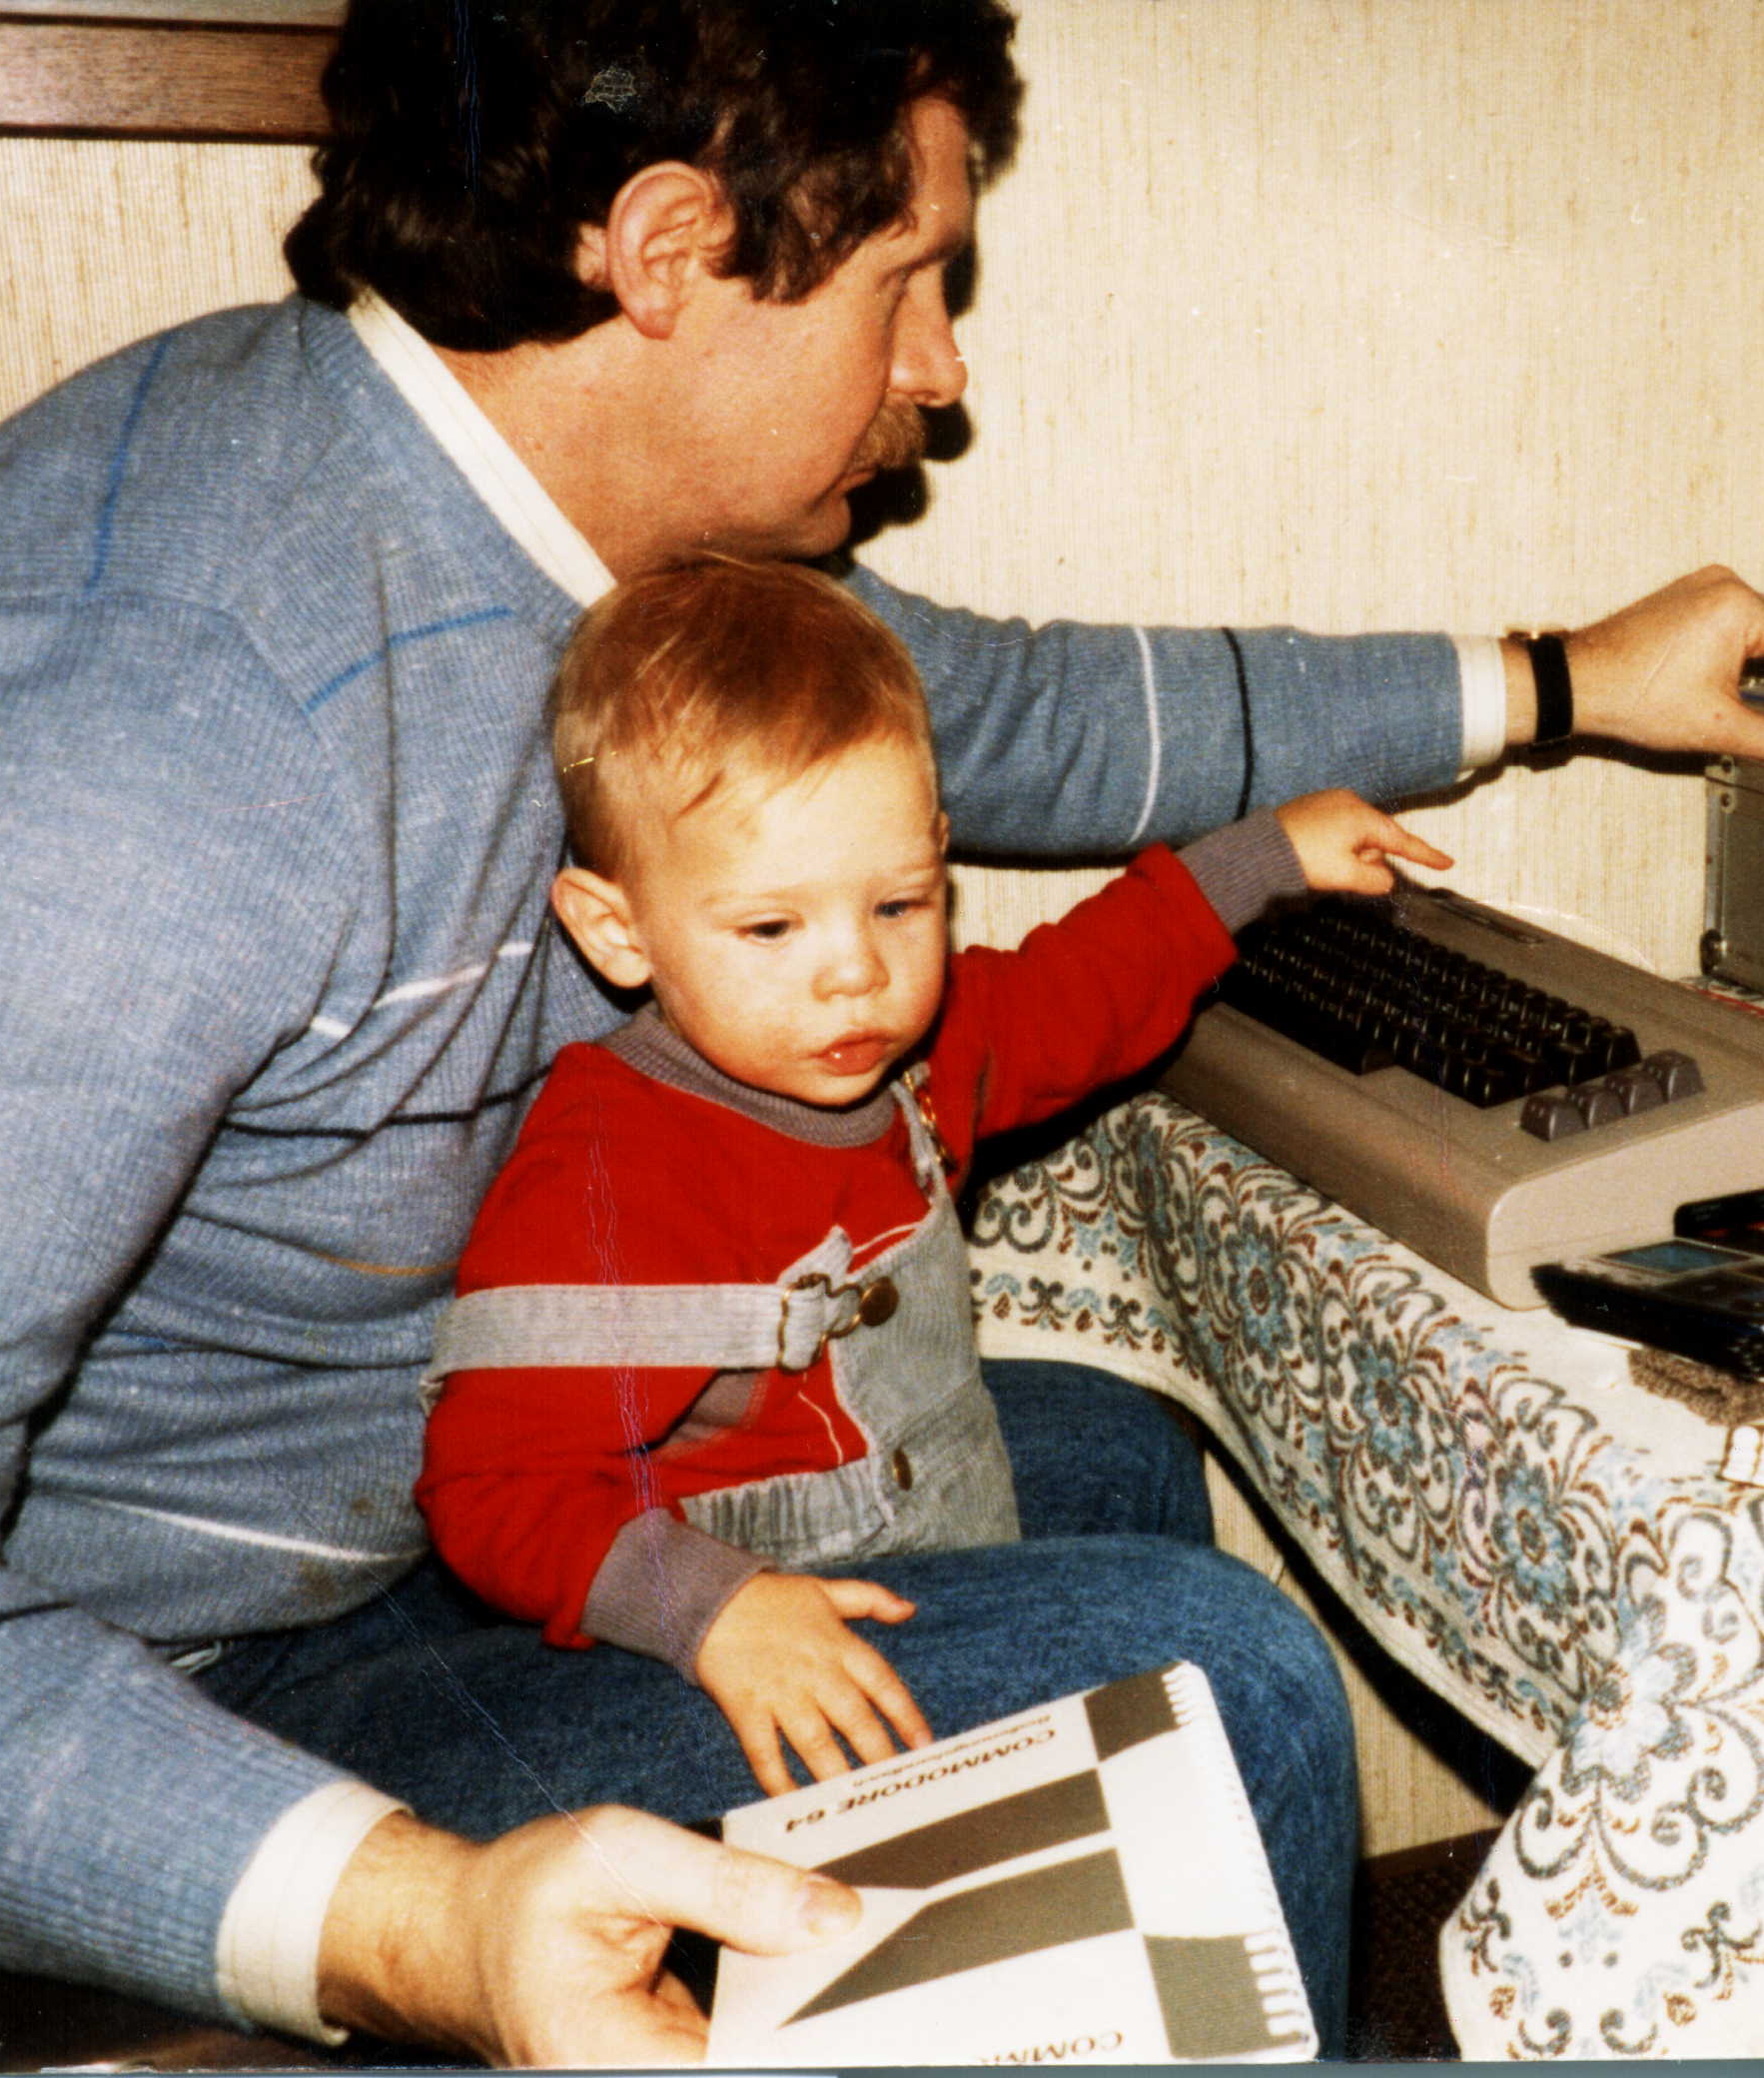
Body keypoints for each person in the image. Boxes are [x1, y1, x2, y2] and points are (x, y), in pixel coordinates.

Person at [0, 0, 1764, 2063]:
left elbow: (1037, 713)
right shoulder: (154, 721)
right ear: (672, 248)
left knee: (1111, 1451)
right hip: (187, 1693)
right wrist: (428, 1922)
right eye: (909, 282)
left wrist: (1560, 679)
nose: (943, 369)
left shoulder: (582, 557)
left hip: (434, 1508)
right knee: (1214, 1672)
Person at [417, 560, 1443, 2012]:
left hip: (893, 1521)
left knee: (1128, 1435)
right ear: (617, 929)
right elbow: (489, 1489)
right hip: (726, 1624)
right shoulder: (609, 1175)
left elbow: (1075, 993)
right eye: (771, 930)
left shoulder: (905, 1056)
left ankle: (1123, 1952)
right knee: (1241, 1660)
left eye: (898, 904)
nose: (856, 976)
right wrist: (712, 1610)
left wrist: (1259, 858)